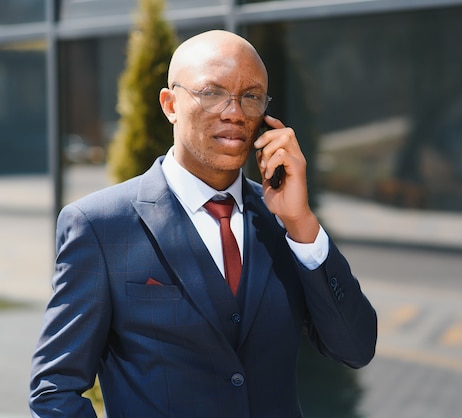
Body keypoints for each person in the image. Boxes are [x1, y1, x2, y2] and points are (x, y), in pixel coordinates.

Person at [29, 30, 377, 417]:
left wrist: (302, 224)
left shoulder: (286, 221)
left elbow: (355, 348)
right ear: (170, 104)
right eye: (212, 93)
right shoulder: (100, 226)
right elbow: (53, 390)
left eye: (251, 96)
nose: (234, 112)